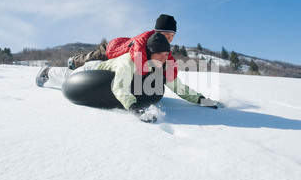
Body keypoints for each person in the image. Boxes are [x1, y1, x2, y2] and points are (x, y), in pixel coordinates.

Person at [36, 33, 220, 123]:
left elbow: (178, 86)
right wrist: (135, 108)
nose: (165, 58)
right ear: (149, 52)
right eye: (160, 54)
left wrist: (202, 100)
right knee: (68, 76)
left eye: (167, 54)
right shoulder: (129, 62)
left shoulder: (162, 65)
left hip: (114, 75)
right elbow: (120, 86)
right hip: (95, 71)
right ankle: (48, 71)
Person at [67, 14, 179, 83]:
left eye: (172, 36)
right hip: (110, 50)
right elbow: (138, 52)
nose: (170, 38)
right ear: (157, 32)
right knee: (88, 60)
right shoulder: (146, 38)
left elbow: (170, 59)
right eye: (166, 34)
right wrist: (145, 73)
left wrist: (167, 77)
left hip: (118, 58)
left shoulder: (162, 46)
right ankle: (74, 61)